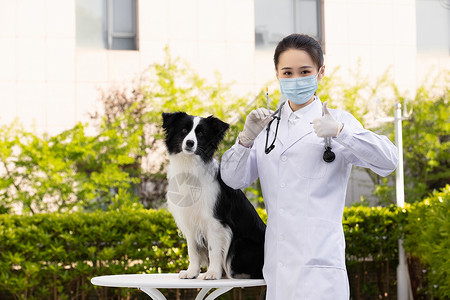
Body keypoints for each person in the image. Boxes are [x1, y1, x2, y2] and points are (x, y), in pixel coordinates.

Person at [220, 33, 399, 299]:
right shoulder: (266, 129)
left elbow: (389, 161)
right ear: (277, 75)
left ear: (320, 72)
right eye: (287, 72)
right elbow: (233, 180)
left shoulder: (337, 121)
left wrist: (341, 132)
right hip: (278, 267)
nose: (295, 79)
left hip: (321, 266)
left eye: (304, 71)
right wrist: (246, 139)